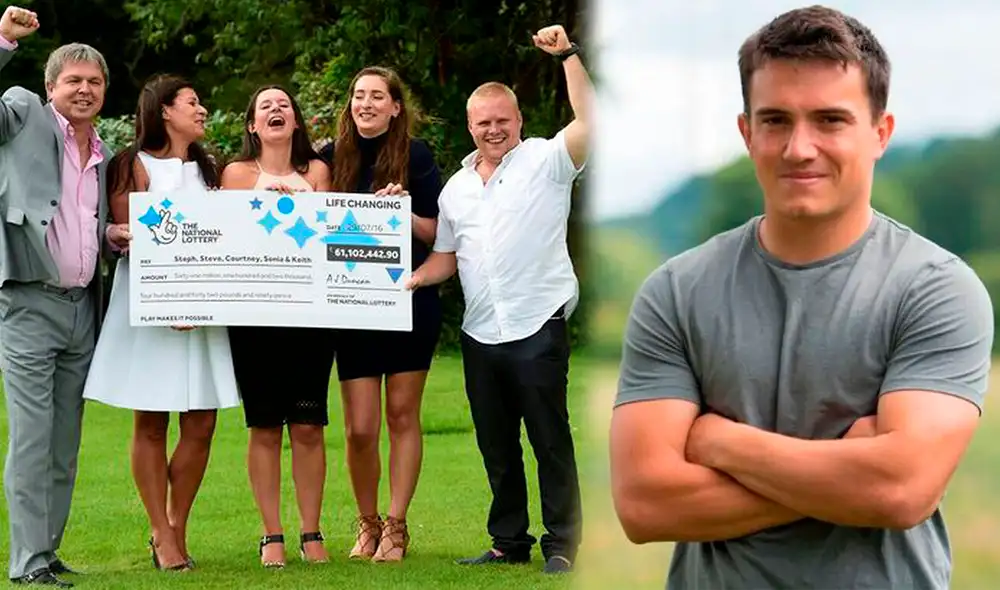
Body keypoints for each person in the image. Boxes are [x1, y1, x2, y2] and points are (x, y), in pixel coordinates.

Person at [609, 6, 993, 590]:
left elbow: (900, 491)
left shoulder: (937, 289)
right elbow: (645, 506)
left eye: (831, 120)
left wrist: (722, 442)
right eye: (776, 120)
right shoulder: (676, 291)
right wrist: (850, 469)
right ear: (747, 133)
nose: (799, 148)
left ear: (880, 133)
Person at [405, 24, 590, 574]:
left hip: (538, 323)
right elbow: (447, 257)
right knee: (496, 445)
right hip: (480, 332)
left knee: (550, 441)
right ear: (470, 126)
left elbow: (591, 123)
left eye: (501, 121)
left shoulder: (546, 160)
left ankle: (562, 543)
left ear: (518, 122)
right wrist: (413, 281)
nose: (493, 130)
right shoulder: (454, 189)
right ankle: (508, 541)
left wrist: (568, 56)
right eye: (483, 123)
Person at [82, 74, 240, 572]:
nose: (202, 110)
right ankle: (159, 530)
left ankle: (178, 523)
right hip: (150, 308)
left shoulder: (210, 170)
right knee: (150, 420)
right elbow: (136, 232)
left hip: (204, 311)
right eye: (193, 102)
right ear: (165, 111)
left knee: (203, 421)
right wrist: (170, 299)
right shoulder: (134, 164)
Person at [0, 6, 126, 586]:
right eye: (73, 80)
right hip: (28, 302)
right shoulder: (23, 111)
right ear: (52, 87)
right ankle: (25, 563)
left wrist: (110, 236)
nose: (84, 89)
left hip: (82, 309)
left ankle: (46, 553)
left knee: (63, 444)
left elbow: (79, 221)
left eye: (94, 82)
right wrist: (2, 40)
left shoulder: (101, 150)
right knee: (30, 439)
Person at [317, 65, 444, 563]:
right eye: (358, 95)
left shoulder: (415, 155)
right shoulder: (329, 157)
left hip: (409, 300)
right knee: (360, 427)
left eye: (377, 96)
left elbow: (434, 233)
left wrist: (404, 210)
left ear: (395, 107)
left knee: (401, 415)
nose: (366, 103)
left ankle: (396, 526)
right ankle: (366, 523)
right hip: (351, 307)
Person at [220, 85, 336, 568]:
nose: (275, 110)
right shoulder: (235, 173)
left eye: (284, 105)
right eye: (265, 106)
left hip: (311, 317)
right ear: (252, 124)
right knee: (264, 427)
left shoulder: (318, 172)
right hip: (255, 318)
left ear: (296, 121)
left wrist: (302, 208)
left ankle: (312, 531)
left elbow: (329, 232)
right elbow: (225, 236)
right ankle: (272, 535)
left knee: (309, 427)